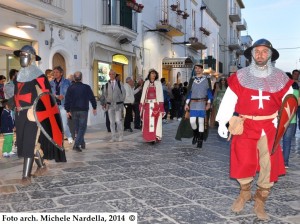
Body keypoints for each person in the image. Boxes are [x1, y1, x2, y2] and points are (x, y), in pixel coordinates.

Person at [216, 39, 294, 220]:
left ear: (270, 55)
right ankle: (244, 193)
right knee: (242, 160)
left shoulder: (280, 77)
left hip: (270, 126)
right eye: (257, 51)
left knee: (269, 165)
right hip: (245, 125)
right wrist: (222, 121)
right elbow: (229, 99)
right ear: (252, 54)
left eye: (264, 51)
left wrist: (281, 122)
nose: (260, 54)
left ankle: (260, 200)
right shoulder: (241, 76)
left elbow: (288, 103)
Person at [13, 45, 64, 184]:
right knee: (25, 143)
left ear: (31, 57)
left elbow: (46, 95)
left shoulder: (39, 75)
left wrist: (37, 110)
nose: (22, 57)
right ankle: (41, 166)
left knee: (29, 141)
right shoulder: (18, 75)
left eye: (25, 55)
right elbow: (16, 95)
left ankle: (25, 176)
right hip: (20, 114)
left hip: (32, 112)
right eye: (21, 54)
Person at [179, 64, 213, 149]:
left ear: (202, 69)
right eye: (196, 68)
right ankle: (196, 134)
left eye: (199, 68)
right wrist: (186, 103)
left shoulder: (206, 79)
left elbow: (209, 92)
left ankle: (200, 140)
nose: (197, 70)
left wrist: (209, 103)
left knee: (201, 122)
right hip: (193, 103)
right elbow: (189, 93)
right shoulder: (192, 80)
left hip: (202, 103)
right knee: (192, 122)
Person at [65, 71, 97, 151]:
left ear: (74, 78)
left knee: (78, 128)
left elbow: (67, 99)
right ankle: (76, 145)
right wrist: (94, 107)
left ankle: (82, 143)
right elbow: (92, 98)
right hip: (83, 110)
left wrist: (67, 110)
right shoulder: (86, 87)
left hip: (74, 110)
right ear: (81, 78)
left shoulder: (70, 88)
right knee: (82, 128)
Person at [140, 69, 164, 143]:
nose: (153, 75)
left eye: (154, 74)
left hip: (155, 105)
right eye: (152, 73)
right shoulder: (146, 83)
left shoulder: (158, 83)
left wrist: (160, 105)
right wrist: (142, 104)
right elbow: (143, 94)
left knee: (155, 122)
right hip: (147, 106)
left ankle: (154, 137)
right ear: (149, 74)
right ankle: (148, 137)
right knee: (147, 122)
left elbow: (160, 95)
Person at [50, 66, 73, 144]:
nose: (55, 74)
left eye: (57, 72)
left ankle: (69, 136)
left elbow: (71, 94)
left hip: (63, 106)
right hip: (54, 106)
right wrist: (54, 96)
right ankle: (58, 139)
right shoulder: (51, 83)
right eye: (54, 72)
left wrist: (64, 96)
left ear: (61, 73)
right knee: (55, 124)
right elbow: (48, 94)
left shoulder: (67, 82)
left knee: (63, 124)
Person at [282, 72, 299, 168]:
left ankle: (272, 161)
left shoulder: (279, 91)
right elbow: (298, 104)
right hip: (291, 120)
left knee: (274, 141)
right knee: (287, 141)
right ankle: (285, 163)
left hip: (279, 120)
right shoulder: (296, 91)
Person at [103, 69, 126, 142]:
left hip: (118, 106)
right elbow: (104, 95)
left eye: (113, 74)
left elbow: (124, 93)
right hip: (110, 106)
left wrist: (121, 101)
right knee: (111, 122)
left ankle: (121, 135)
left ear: (115, 75)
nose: (111, 75)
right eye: (110, 74)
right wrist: (104, 103)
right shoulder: (106, 85)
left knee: (118, 121)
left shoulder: (119, 83)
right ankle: (113, 137)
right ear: (109, 75)